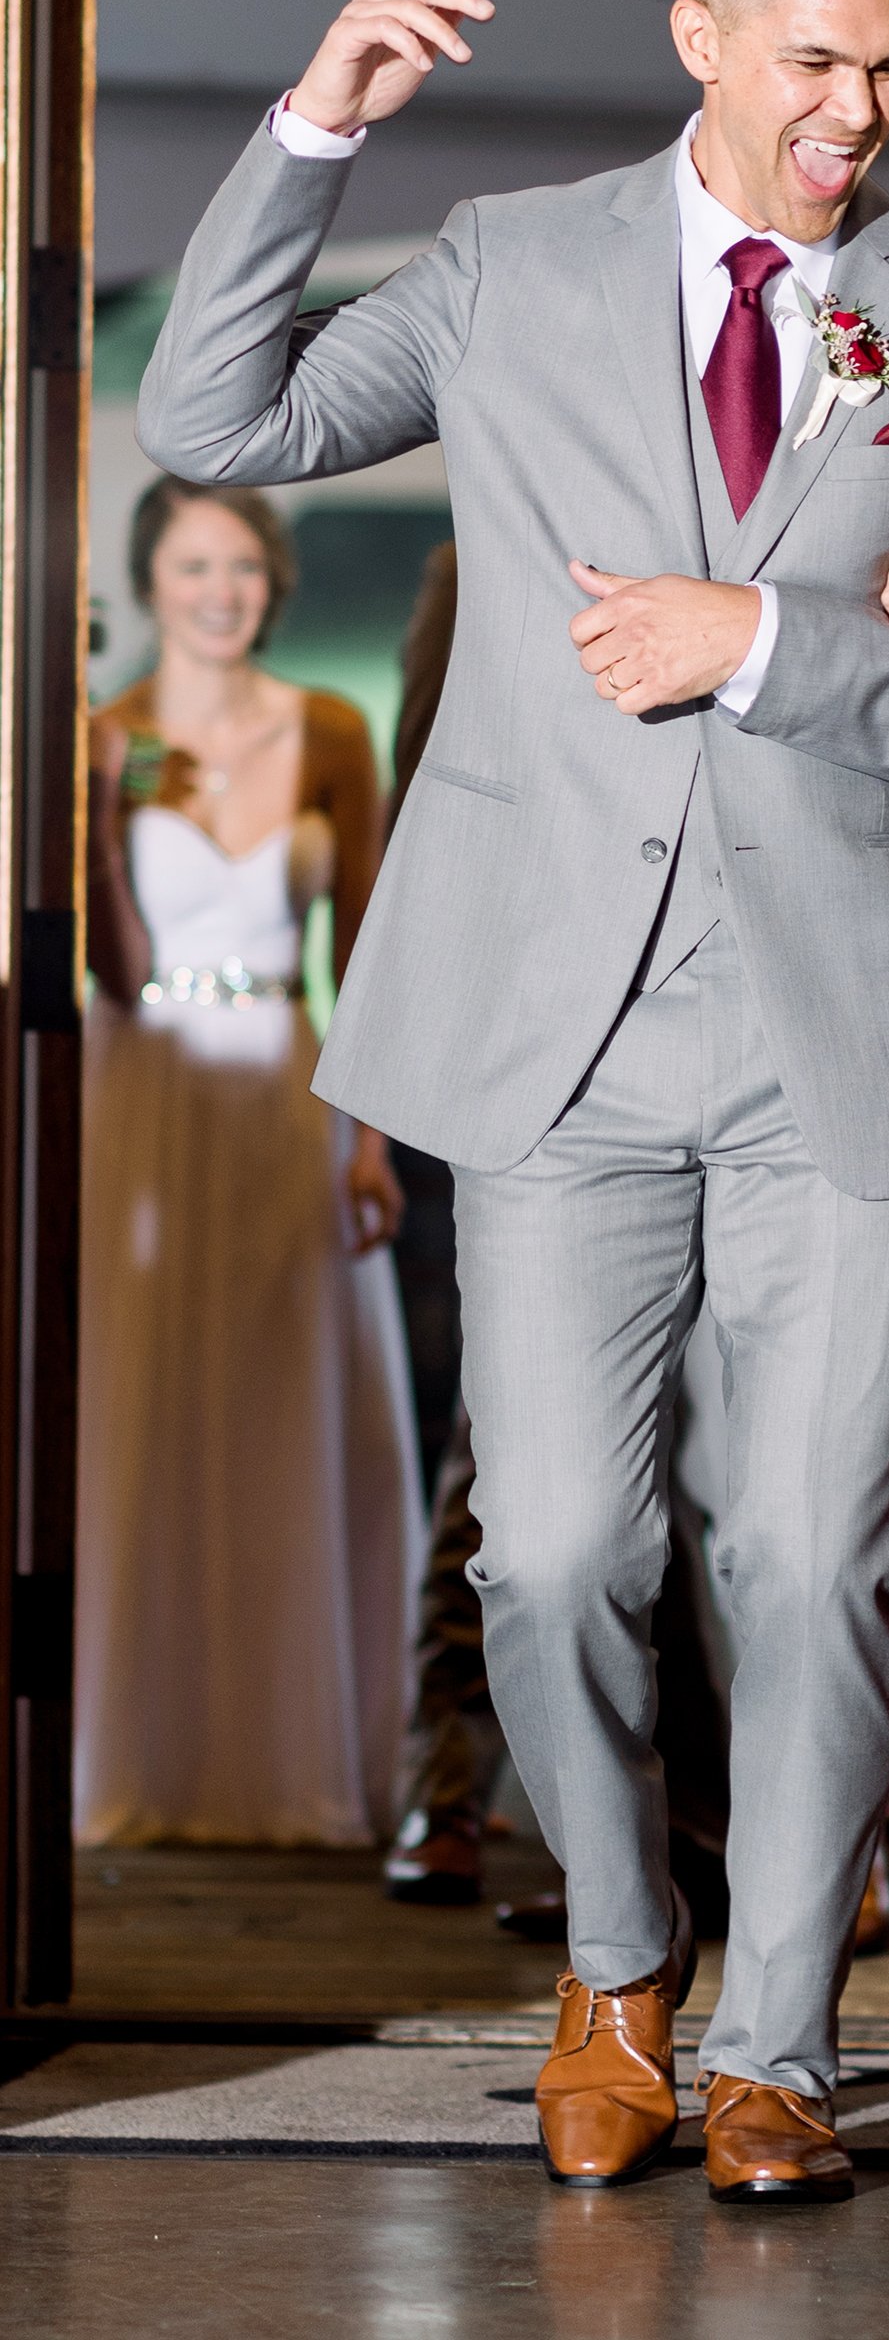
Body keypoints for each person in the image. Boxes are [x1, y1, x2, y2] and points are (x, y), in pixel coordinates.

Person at [137, 0, 889, 2199]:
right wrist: (319, 127)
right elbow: (208, 403)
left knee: (819, 1561)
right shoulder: (507, 267)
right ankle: (619, 1965)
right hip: (552, 1036)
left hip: (842, 1039)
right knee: (554, 1554)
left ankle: (779, 2038)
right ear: (702, 39)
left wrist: (770, 641)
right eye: (814, 60)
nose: (856, 109)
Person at [77, 479, 421, 1846]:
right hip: (146, 1090)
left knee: (291, 1408)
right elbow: (113, 967)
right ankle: (136, 1755)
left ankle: (293, 1758)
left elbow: (370, 956)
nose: (218, 590)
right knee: (138, 1407)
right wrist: (98, 823)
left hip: (290, 1088)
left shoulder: (331, 727)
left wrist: (375, 1137)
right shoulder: (106, 737)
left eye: (240, 567)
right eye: (192, 566)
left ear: (271, 584)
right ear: (150, 580)